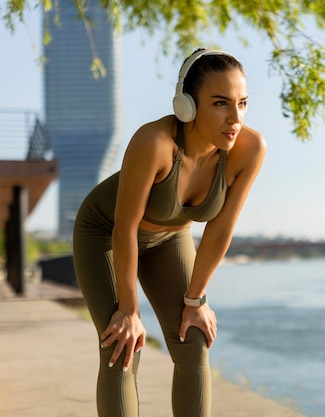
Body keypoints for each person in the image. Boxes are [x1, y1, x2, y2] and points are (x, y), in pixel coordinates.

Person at [73, 49, 266, 417]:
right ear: (187, 106)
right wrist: (129, 311)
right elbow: (124, 228)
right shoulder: (154, 142)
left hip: (171, 238)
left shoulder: (249, 149)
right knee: (122, 345)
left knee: (193, 341)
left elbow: (220, 228)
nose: (235, 118)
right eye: (221, 103)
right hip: (105, 234)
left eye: (243, 103)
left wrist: (196, 301)